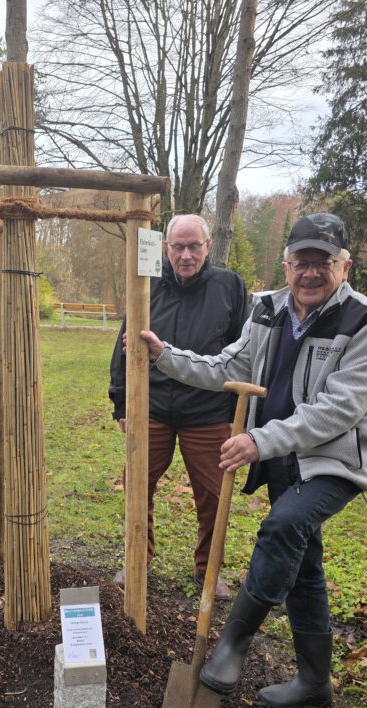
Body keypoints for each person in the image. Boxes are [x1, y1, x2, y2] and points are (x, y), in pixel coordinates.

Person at [138, 212, 367, 708]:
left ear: (346, 267)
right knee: (303, 561)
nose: (311, 273)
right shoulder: (268, 310)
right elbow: (228, 366)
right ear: (286, 264)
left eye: (324, 262)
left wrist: (259, 440)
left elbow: (339, 409)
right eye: (302, 262)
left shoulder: (366, 322)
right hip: (283, 458)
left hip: (335, 461)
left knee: (284, 525)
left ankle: (233, 642)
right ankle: (315, 679)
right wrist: (164, 354)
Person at [109, 213, 249, 600]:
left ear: (208, 246)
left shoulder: (229, 286)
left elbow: (245, 348)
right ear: (166, 248)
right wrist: (121, 401)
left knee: (213, 493)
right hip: (151, 405)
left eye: (194, 246)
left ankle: (209, 570)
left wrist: (239, 406)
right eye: (178, 247)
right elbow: (123, 344)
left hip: (207, 410)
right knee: (137, 485)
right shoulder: (147, 285)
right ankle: (138, 558)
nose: (186, 255)